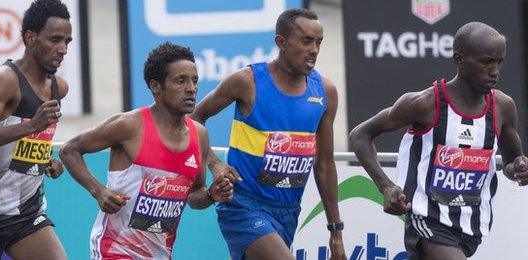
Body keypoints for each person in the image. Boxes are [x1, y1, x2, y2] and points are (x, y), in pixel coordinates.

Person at [349, 22, 528, 259]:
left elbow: (510, 162)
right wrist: (386, 186)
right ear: (459, 60)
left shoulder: (503, 107)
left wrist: (519, 169)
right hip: (428, 219)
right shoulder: (425, 103)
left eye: (499, 61)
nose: (495, 70)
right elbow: (360, 135)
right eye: (486, 62)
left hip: (471, 225)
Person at [190, 8, 345, 260]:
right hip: (242, 205)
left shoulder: (326, 92)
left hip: (288, 211)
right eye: (306, 41)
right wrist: (215, 164)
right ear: (281, 43)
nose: (314, 49)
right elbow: (194, 119)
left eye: (319, 42)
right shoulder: (247, 82)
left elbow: (325, 164)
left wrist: (336, 233)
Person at [60, 42, 233, 259]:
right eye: (181, 81)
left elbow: (195, 195)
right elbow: (69, 150)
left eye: (194, 80)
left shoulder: (199, 135)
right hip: (114, 249)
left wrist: (211, 195)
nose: (191, 88)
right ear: (156, 87)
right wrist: (98, 191)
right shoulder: (129, 126)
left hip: (159, 254)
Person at [0, 0, 71, 259]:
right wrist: (31, 125)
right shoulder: (5, 81)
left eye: (67, 41)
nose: (62, 49)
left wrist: (43, 161)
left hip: (27, 214)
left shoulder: (59, 87)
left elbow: (25, 146)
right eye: (55, 40)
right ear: (30, 37)